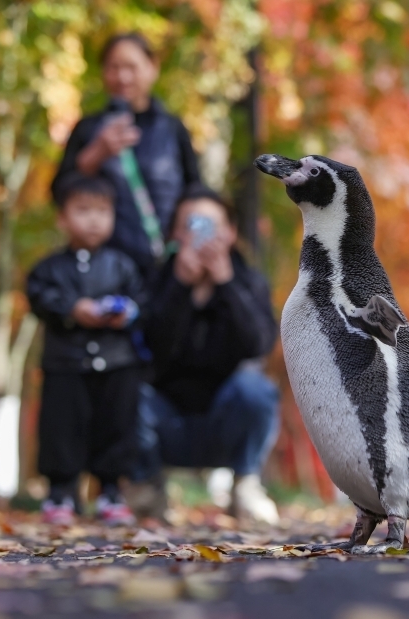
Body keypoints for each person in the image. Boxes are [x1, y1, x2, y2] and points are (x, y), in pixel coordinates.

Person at [132, 184, 280, 524]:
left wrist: (226, 284)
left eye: (210, 225)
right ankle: (147, 489)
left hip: (225, 420)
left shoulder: (248, 280)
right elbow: (149, 350)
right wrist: (180, 287)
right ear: (175, 233)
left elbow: (258, 345)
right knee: (125, 387)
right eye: (191, 225)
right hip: (166, 420)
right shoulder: (157, 278)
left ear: (230, 232)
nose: (200, 235)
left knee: (256, 387)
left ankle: (245, 484)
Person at [26, 173, 145, 526]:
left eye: (102, 211)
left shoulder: (122, 265)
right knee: (62, 427)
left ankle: (111, 491)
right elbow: (38, 297)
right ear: (63, 218)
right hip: (66, 363)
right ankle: (60, 492)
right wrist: (72, 308)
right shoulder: (49, 268)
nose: (93, 219)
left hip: (117, 361)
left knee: (116, 425)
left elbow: (142, 300)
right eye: (82, 210)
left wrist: (126, 312)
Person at [51, 32, 202, 278]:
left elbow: (196, 193)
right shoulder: (88, 129)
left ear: (152, 68)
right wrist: (96, 153)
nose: (122, 77)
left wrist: (190, 243)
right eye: (113, 68)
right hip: (104, 267)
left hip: (166, 265)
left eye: (131, 67)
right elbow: (59, 194)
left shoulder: (173, 129)